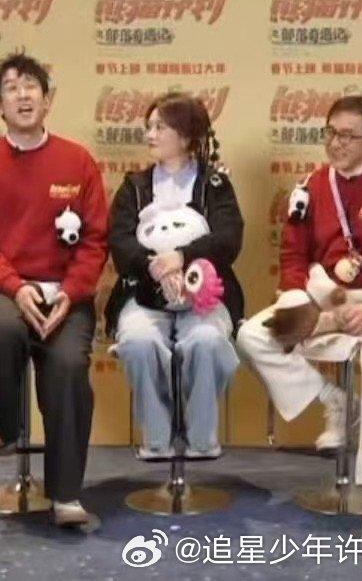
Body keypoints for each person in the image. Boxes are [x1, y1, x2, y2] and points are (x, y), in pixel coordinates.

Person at [236, 96, 362, 551]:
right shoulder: (311, 186)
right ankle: (333, 400)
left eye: (348, 136)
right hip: (321, 295)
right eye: (331, 132)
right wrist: (296, 301)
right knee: (253, 335)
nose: (336, 143)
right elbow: (293, 255)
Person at [0, 52, 108, 527]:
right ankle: (6, 425)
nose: (23, 95)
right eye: (12, 88)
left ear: (47, 98)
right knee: (1, 332)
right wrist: (15, 287)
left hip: (66, 295)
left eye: (31, 86)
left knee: (68, 366)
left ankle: (66, 495)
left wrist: (71, 292)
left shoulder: (77, 161)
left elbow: (95, 240)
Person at [105, 92, 243, 459]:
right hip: (143, 294)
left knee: (206, 342)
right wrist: (155, 266)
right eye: (148, 126)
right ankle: (156, 437)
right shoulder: (134, 187)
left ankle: (201, 438)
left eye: (159, 127)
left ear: (185, 136)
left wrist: (181, 259)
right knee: (138, 342)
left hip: (204, 296)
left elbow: (229, 238)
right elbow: (120, 241)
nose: (149, 134)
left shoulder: (214, 184)